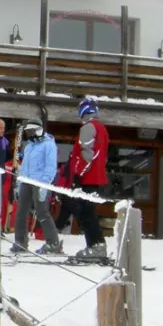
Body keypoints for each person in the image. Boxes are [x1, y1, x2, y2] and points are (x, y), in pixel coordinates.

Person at [10, 120, 63, 255]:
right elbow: (24, 167)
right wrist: (19, 184)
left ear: (37, 130)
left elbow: (51, 167)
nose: (29, 134)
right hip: (26, 181)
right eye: (27, 132)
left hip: (40, 182)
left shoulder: (48, 144)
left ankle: (53, 243)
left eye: (31, 131)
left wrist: (45, 185)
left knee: (42, 212)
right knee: (21, 211)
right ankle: (20, 241)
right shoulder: (29, 146)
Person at [67, 96, 109, 262]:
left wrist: (78, 175)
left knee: (85, 212)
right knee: (87, 211)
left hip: (87, 178)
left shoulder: (88, 127)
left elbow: (86, 155)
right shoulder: (101, 128)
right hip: (96, 177)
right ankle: (97, 244)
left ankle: (96, 245)